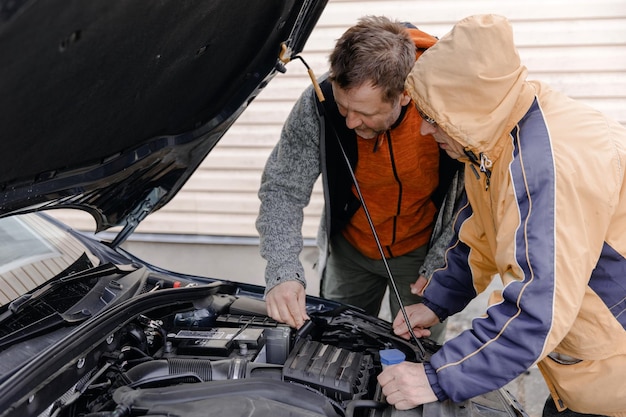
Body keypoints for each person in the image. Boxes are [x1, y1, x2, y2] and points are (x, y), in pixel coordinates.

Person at [378, 14, 626, 417]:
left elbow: (536, 309)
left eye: (432, 118)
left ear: (467, 108)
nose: (425, 131)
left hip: (615, 375)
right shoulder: (497, 137)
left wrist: (438, 376)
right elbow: (481, 230)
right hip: (584, 363)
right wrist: (438, 302)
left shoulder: (548, 167)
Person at [255, 15, 464, 343]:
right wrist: (281, 270)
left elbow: (476, 194)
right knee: (335, 343)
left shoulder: (449, 103)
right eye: (343, 107)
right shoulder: (320, 101)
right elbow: (283, 188)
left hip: (422, 253)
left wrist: (442, 261)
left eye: (365, 114)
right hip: (351, 250)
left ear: (405, 95)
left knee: (416, 352)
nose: (350, 123)